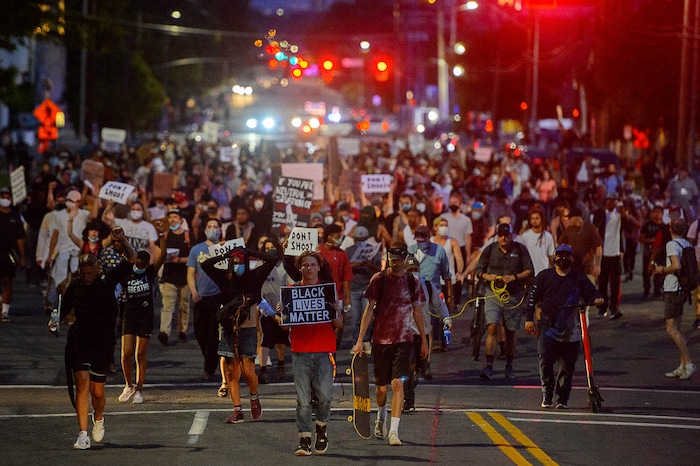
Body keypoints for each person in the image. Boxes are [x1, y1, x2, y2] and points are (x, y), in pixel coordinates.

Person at [60, 227, 136, 449]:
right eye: (83, 274)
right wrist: (54, 322)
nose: (86, 278)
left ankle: (99, 417)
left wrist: (122, 240)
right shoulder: (75, 286)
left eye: (90, 273)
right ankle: (82, 434)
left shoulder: (108, 279)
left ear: (97, 268)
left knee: (98, 391)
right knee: (82, 384)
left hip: (102, 342)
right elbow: (62, 310)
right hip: (79, 340)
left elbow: (131, 258)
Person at [352, 242, 428, 447]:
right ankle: (381, 416)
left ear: (405, 259)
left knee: (398, 383)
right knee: (381, 390)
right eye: (393, 259)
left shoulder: (413, 281)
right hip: (380, 340)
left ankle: (394, 431)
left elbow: (417, 311)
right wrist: (360, 340)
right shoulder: (379, 279)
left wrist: (424, 340)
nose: (396, 263)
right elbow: (368, 310)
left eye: (399, 259)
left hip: (403, 340)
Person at [201, 245, 278, 423]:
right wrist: (227, 254)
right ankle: (237, 411)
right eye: (234, 260)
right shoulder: (224, 278)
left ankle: (253, 397)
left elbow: (272, 260)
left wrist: (249, 252)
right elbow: (206, 265)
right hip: (229, 330)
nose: (237, 263)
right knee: (231, 373)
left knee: (248, 372)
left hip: (248, 330)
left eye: (240, 260)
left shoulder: (254, 277)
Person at [525, 244, 604, 409]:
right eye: (559, 255)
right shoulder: (544, 276)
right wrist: (529, 318)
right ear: (554, 258)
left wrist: (597, 297)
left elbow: (591, 291)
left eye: (566, 255)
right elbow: (531, 298)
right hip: (548, 326)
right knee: (545, 359)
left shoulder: (578, 278)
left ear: (572, 259)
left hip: (571, 329)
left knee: (567, 367)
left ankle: (562, 398)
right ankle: (547, 393)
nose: (563, 258)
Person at [282, 251, 343, 456]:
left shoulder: (327, 291)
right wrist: (281, 312)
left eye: (312, 264)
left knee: (325, 396)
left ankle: (321, 428)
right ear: (299, 268)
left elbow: (339, 324)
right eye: (305, 265)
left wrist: (336, 310)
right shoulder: (291, 290)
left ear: (319, 267)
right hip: (300, 352)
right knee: (303, 399)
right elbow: (284, 327)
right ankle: (304, 439)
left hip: (324, 350)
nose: (308, 268)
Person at [474, 223, 534, 380]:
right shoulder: (490, 249)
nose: (503, 238)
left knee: (510, 331)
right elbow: (478, 271)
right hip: (493, 293)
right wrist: (489, 277)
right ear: (497, 235)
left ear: (511, 235)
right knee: (492, 327)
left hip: (513, 294)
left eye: (506, 235)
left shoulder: (519, 250)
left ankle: (509, 365)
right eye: (500, 234)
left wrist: (514, 277)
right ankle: (488, 365)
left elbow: (529, 271)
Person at [117, 221, 167, 404]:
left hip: (145, 317)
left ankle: (139, 390)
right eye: (136, 262)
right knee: (125, 353)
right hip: (129, 316)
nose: (138, 266)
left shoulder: (150, 273)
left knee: (140, 355)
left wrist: (161, 235)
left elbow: (164, 255)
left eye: (142, 264)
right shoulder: (126, 272)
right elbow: (127, 252)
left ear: (146, 264)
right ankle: (128, 385)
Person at [651, 219, 697, 380]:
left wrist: (662, 269)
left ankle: (689, 363)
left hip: (673, 288)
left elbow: (676, 265)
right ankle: (682, 364)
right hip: (682, 289)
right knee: (677, 327)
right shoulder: (686, 244)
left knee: (672, 329)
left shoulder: (672, 244)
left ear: (671, 229)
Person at [187, 218, 224, 381]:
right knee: (199, 333)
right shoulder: (196, 249)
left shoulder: (224, 248)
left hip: (218, 296)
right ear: (204, 230)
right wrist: (193, 291)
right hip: (201, 296)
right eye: (209, 226)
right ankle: (209, 357)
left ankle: (209, 368)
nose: (212, 229)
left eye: (215, 227)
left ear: (221, 230)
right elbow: (190, 273)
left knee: (214, 335)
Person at [344, 226, 382, 350]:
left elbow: (379, 268)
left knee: (368, 317)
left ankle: (366, 340)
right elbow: (345, 268)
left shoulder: (373, 250)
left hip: (368, 287)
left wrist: (368, 264)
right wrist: (357, 264)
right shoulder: (349, 251)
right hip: (354, 287)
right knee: (355, 318)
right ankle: (356, 341)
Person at [158, 209, 192, 345]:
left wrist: (180, 260)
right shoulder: (165, 236)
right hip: (169, 277)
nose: (172, 219)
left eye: (175, 217)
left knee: (184, 306)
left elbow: (194, 256)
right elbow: (158, 253)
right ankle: (164, 332)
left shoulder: (187, 236)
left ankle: (182, 331)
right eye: (170, 217)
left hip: (185, 278)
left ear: (181, 220)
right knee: (167, 306)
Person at [592, 192, 624, 319]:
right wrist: (604, 209)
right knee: (602, 282)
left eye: (615, 200)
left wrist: (624, 211)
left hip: (615, 253)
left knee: (615, 283)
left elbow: (631, 223)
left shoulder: (619, 213)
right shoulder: (600, 213)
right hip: (603, 252)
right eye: (611, 200)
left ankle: (614, 308)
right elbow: (595, 227)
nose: (613, 203)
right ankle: (602, 307)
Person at [0, 187, 26, 322]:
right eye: (3, 197)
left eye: (8, 197)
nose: (5, 200)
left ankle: (4, 311)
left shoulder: (15, 217)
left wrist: (22, 257)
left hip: (10, 254)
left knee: (8, 281)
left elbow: (20, 238)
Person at [520, 210, 555, 276]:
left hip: (544, 271)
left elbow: (550, 255)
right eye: (532, 218)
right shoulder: (525, 235)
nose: (534, 221)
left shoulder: (547, 236)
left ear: (541, 219)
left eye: (537, 218)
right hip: (529, 272)